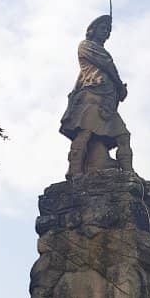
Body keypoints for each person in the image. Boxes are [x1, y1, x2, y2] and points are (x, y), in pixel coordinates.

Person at [60, 12, 133, 178]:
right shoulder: (86, 46)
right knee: (85, 132)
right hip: (91, 96)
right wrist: (120, 86)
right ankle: (74, 170)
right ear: (92, 30)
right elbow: (106, 65)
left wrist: (118, 90)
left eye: (108, 30)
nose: (106, 32)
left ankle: (129, 172)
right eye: (103, 28)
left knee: (123, 135)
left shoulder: (102, 51)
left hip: (106, 102)